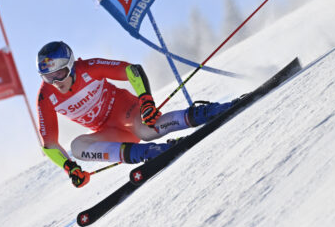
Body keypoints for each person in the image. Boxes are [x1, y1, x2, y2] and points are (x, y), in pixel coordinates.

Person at [37, 41, 237, 188]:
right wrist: (69, 167)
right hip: (110, 131)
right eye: (48, 77)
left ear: (71, 66)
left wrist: (145, 100)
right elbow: (49, 144)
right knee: (78, 147)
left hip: (127, 111)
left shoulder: (88, 68)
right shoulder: (46, 96)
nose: (56, 82)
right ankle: (150, 152)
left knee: (146, 131)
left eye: (60, 74)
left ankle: (206, 112)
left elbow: (131, 70)